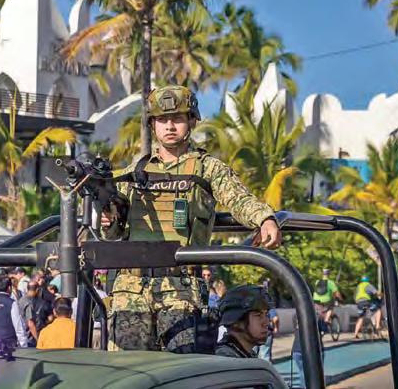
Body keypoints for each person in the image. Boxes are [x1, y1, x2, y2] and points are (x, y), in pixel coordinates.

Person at [101, 86, 281, 353]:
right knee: (126, 369)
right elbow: (113, 232)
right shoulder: (135, 171)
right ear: (152, 124)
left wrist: (264, 219)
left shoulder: (207, 168)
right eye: (162, 119)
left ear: (192, 121)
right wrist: (107, 219)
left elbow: (238, 198)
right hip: (131, 288)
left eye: (177, 118)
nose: (169, 126)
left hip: (180, 288)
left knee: (180, 369)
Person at [214, 285, 271, 358]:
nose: (266, 323)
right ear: (236, 322)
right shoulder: (226, 358)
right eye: (258, 315)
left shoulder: (244, 354)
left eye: (266, 314)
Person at [18, 282, 52, 347]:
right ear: (37, 290)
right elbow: (30, 323)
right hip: (30, 338)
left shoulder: (21, 300)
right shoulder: (28, 303)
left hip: (23, 335)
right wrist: (38, 340)